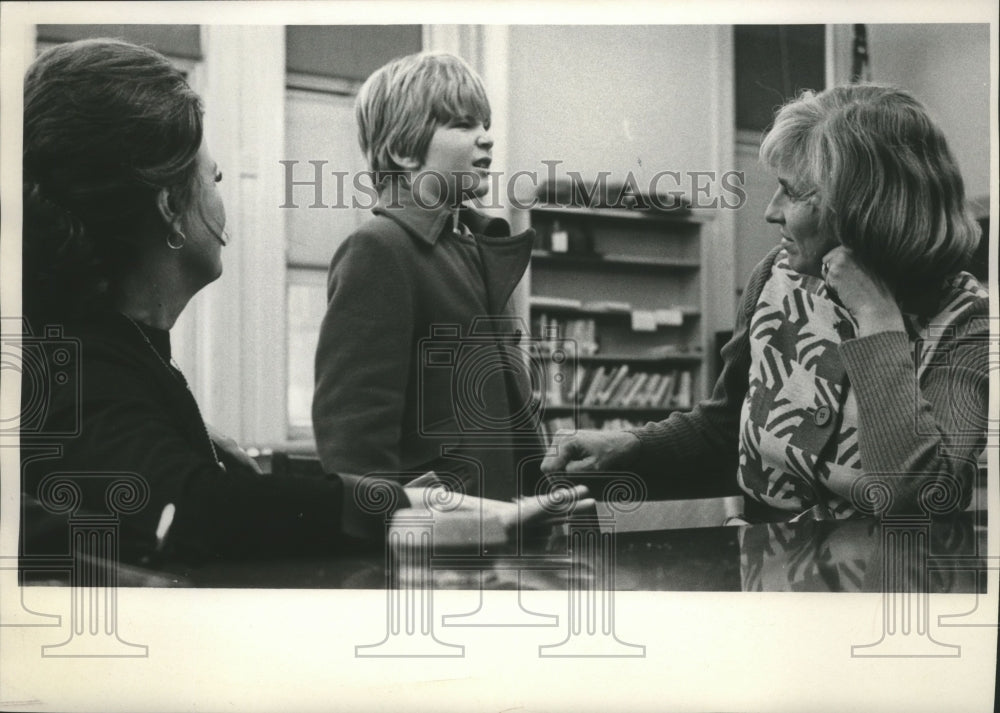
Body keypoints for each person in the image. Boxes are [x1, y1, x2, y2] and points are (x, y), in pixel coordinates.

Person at [19, 39, 589, 566]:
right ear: (169, 205)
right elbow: (199, 502)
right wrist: (381, 513)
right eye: (214, 178)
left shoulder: (123, 352)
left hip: (483, 529)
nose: (485, 137)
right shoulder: (380, 249)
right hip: (437, 549)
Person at [542, 84, 988, 521]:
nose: (770, 211)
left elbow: (920, 498)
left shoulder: (966, 320)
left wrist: (877, 317)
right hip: (765, 570)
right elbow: (727, 423)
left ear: (865, 208)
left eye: (793, 192)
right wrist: (632, 443)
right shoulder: (775, 277)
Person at [312, 52, 545, 501]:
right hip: (438, 536)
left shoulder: (483, 250)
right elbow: (354, 442)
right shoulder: (379, 249)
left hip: (511, 519)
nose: (486, 139)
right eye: (462, 125)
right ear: (404, 149)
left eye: (485, 125)